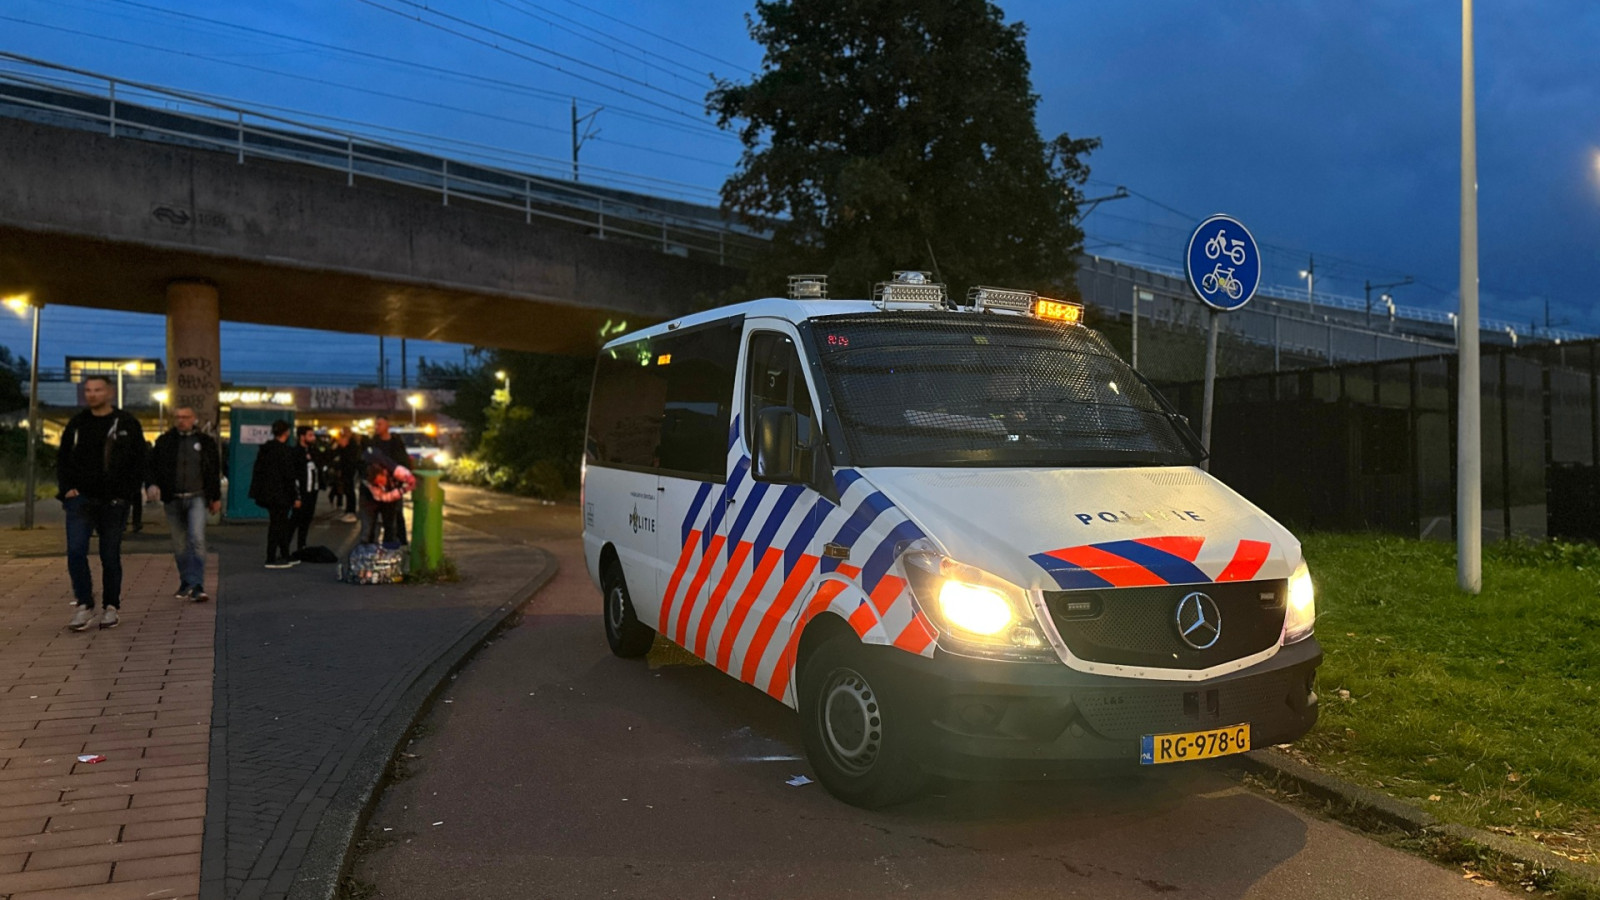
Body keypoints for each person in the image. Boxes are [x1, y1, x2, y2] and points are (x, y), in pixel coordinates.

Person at [58, 374, 149, 631]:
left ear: (109, 392)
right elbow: (63, 458)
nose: (92, 394)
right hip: (80, 499)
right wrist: (66, 490)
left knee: (109, 555)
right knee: (75, 551)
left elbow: (139, 459)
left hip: (114, 502)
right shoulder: (77, 424)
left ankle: (111, 606)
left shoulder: (126, 422)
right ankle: (84, 604)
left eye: (97, 390)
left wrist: (128, 492)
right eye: (88, 390)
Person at [147, 406, 222, 602]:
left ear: (194, 418)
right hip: (173, 498)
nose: (181, 420)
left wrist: (215, 498)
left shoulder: (205, 442)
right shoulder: (165, 442)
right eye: (178, 417)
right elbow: (152, 466)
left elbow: (213, 470)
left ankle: (197, 584)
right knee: (179, 544)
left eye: (186, 417)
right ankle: (186, 581)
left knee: (196, 539)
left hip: (197, 497)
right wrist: (153, 484)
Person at [250, 419, 300, 569]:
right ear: (286, 432)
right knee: (279, 525)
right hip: (282, 494)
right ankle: (272, 557)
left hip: (268, 493)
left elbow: (258, 472)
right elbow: (289, 476)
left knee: (277, 523)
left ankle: (284, 554)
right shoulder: (285, 451)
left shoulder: (265, 449)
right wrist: (296, 496)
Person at [362, 417, 412, 542]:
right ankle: (370, 549)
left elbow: (403, 463)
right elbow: (364, 461)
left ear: (387, 425)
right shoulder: (372, 443)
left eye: (380, 424)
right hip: (375, 488)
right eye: (376, 424)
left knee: (393, 519)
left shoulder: (396, 443)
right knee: (371, 521)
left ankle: (397, 544)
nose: (377, 427)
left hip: (392, 487)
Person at [289, 425, 323, 555]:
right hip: (301, 491)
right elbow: (294, 474)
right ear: (302, 437)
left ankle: (301, 546)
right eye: (310, 435)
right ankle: (285, 546)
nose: (313, 438)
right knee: (295, 520)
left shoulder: (313, 451)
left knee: (307, 519)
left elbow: (322, 462)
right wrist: (296, 495)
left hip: (312, 491)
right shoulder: (295, 452)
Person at [335, 431, 362, 523]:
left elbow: (350, 460)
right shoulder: (348, 448)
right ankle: (348, 511)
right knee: (347, 490)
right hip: (347, 471)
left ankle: (351, 512)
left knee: (349, 490)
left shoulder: (351, 449)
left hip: (349, 471)